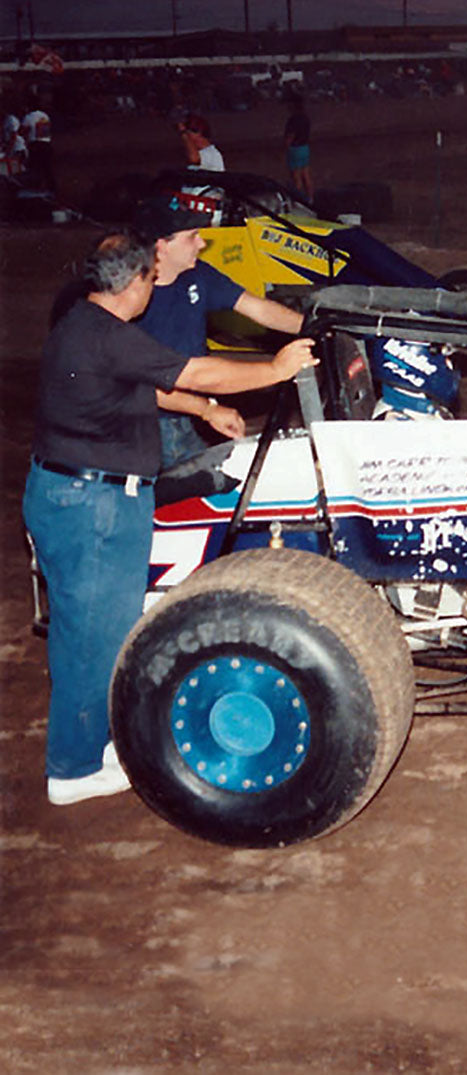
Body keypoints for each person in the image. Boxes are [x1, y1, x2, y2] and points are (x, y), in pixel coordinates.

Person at [24, 232, 317, 805]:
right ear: (134, 283)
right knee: (95, 636)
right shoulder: (109, 337)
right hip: (93, 504)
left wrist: (204, 410)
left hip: (75, 494)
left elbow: (156, 389)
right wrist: (276, 368)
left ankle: (94, 741)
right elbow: (198, 371)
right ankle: (73, 770)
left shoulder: (85, 324)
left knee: (88, 632)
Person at [133, 193, 306, 466]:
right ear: (162, 245)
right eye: (192, 235)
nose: (202, 243)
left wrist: (314, 328)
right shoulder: (130, 301)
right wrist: (207, 410)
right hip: (147, 425)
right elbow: (138, 386)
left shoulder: (197, 273)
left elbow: (258, 308)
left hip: (187, 413)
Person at [284, 93, 313, 202]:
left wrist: (286, 147)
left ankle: (299, 201)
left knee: (296, 179)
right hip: (305, 148)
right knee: (306, 175)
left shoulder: (293, 119)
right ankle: (310, 199)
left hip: (295, 149)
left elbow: (290, 137)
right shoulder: (305, 118)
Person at [19, 97, 53, 192]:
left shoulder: (29, 117)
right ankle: (52, 189)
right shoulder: (45, 116)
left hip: (35, 145)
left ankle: (35, 189)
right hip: (46, 143)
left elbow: (22, 131)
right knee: (47, 169)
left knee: (34, 168)